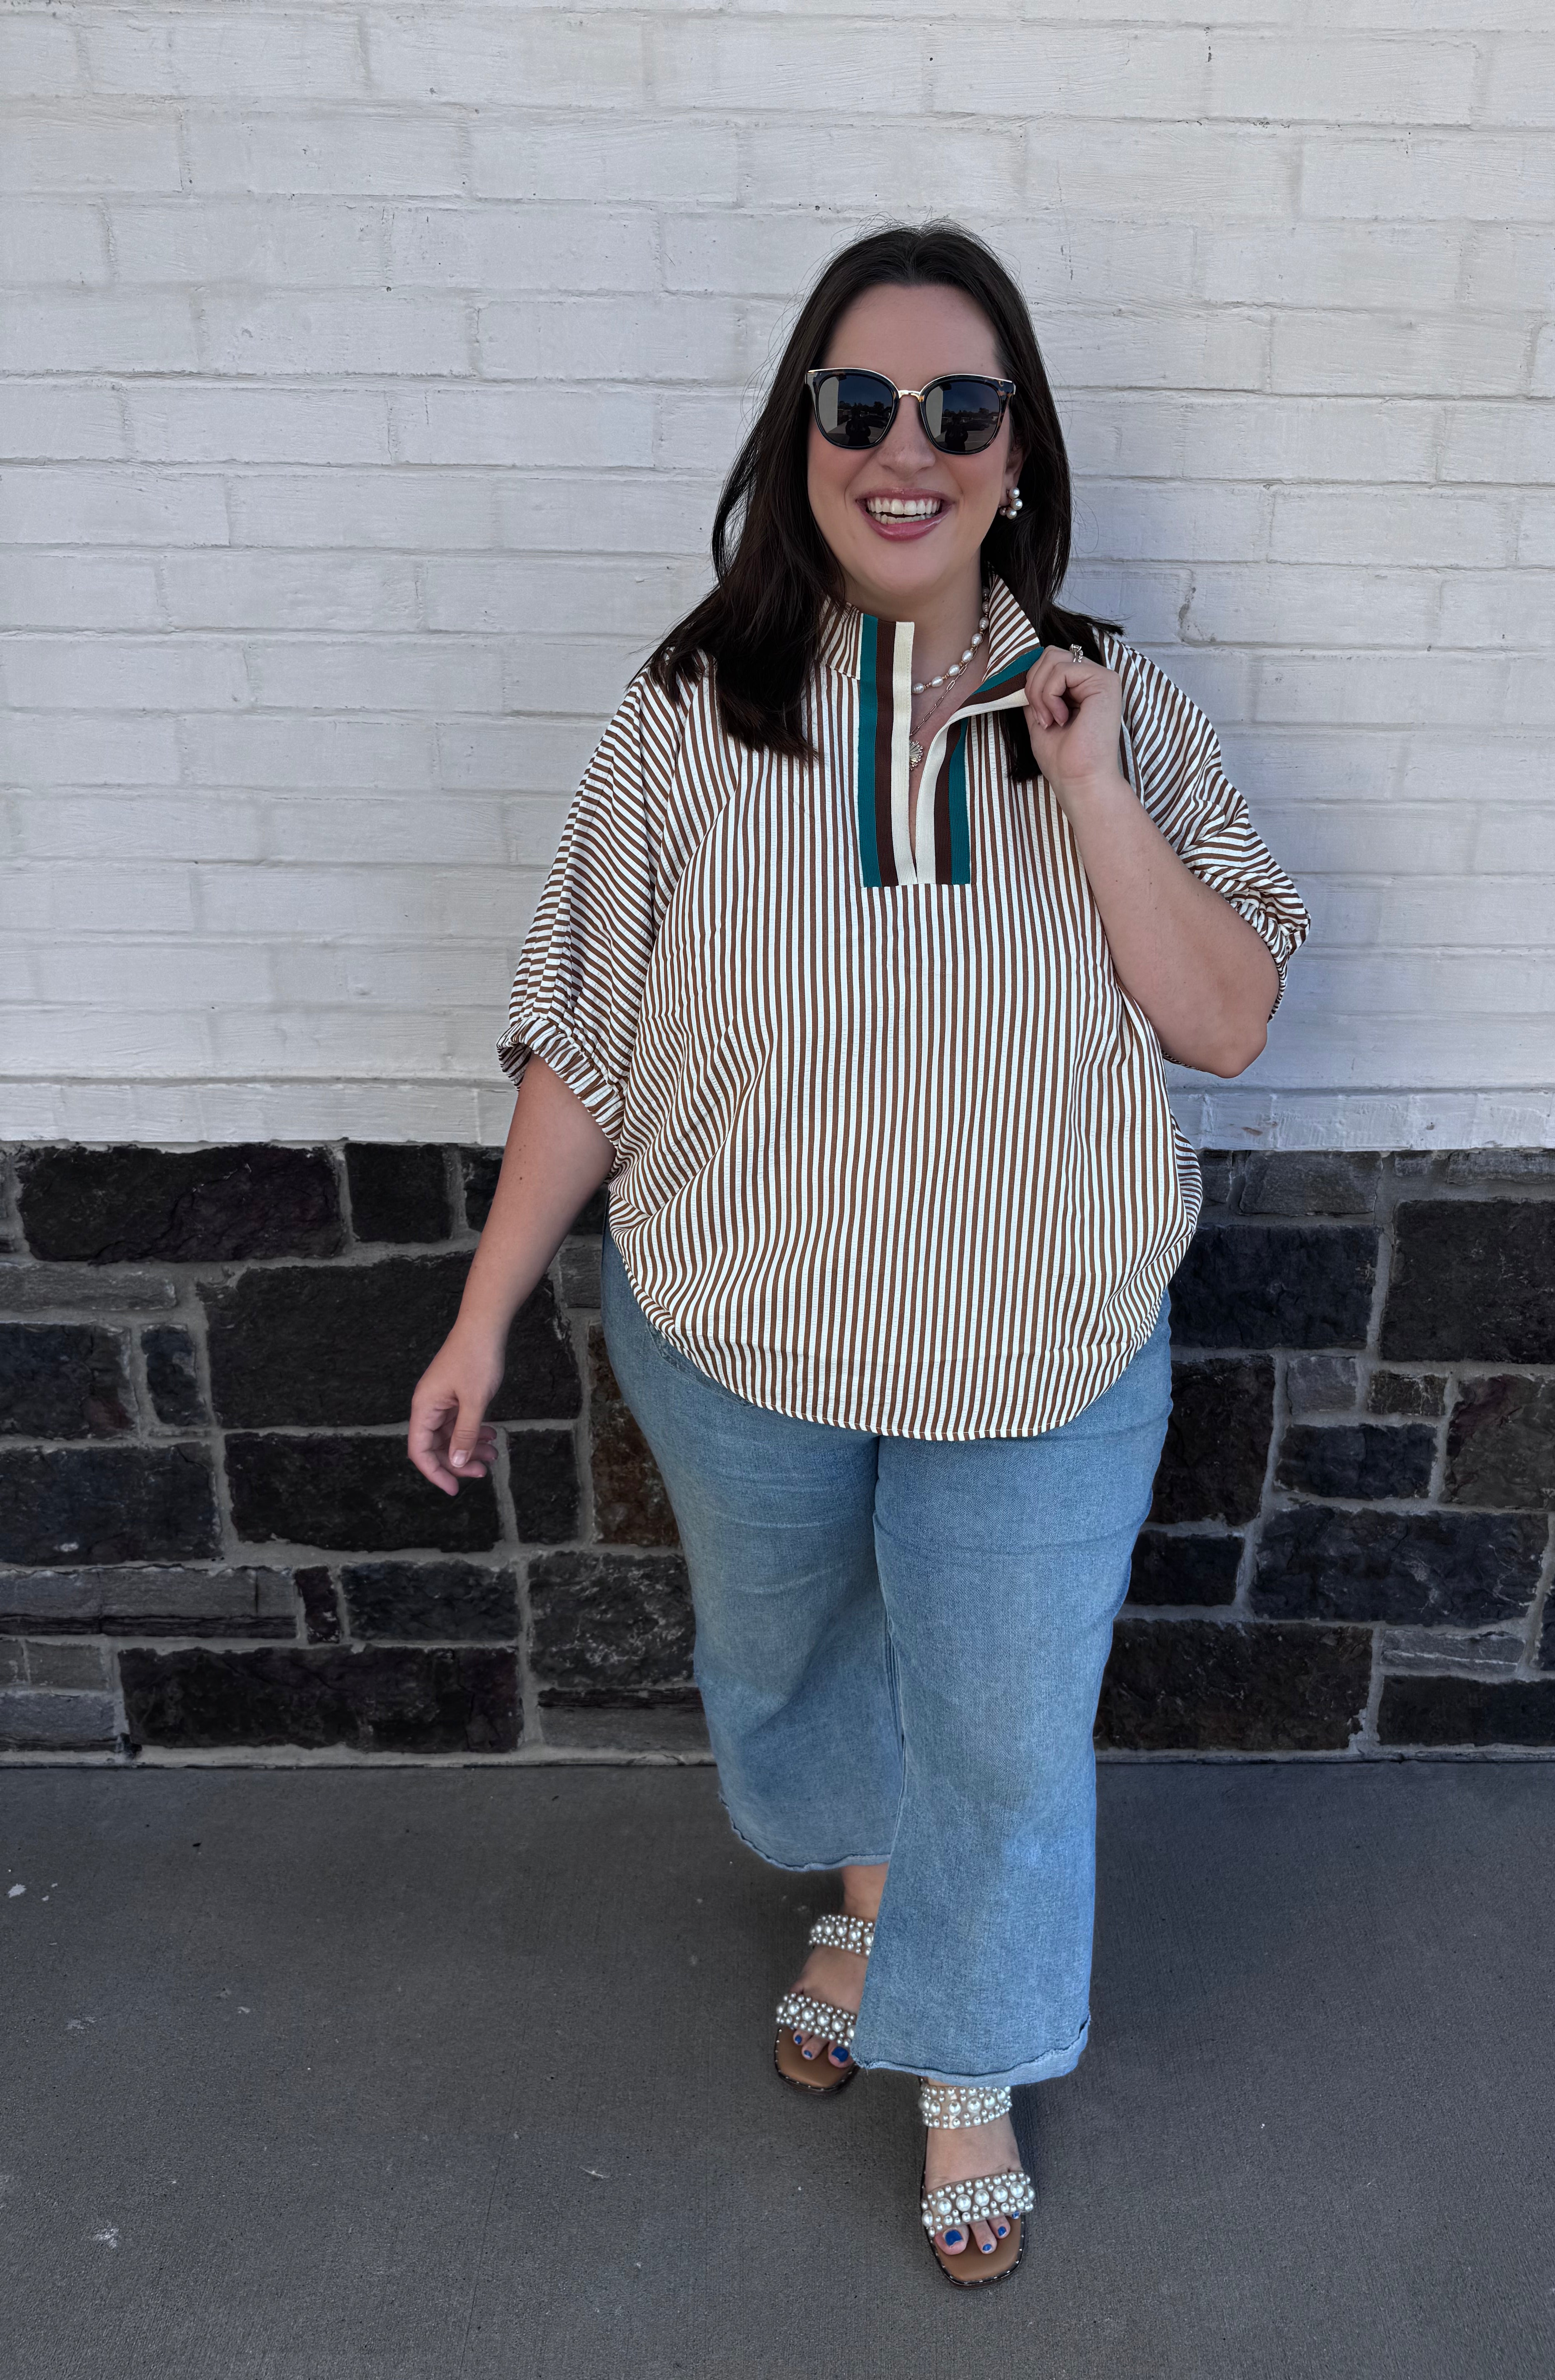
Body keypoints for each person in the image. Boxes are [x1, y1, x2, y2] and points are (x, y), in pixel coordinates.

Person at [407, 221, 1308, 2288]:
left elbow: (1228, 1020)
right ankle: (876, 1898)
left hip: (1039, 1353)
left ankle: (967, 2065)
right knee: (796, 1660)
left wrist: (1085, 782)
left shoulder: (1115, 707)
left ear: (1017, 453)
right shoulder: (688, 714)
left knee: (1005, 1727)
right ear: (801, 430)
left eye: (961, 410)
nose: (909, 446)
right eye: (863, 402)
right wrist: (479, 1311)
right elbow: (587, 1035)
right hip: (743, 1340)